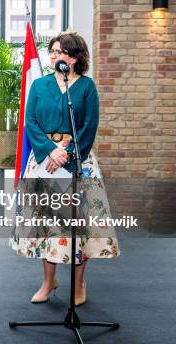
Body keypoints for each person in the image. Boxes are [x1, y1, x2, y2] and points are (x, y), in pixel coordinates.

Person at [10, 31, 120, 306]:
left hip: (78, 162)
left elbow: (89, 126)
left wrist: (68, 154)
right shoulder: (40, 85)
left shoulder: (86, 87)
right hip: (44, 160)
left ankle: (79, 283)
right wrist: (50, 151)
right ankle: (48, 282)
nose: (57, 56)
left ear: (76, 57)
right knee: (48, 225)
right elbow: (31, 121)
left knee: (77, 225)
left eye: (63, 52)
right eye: (53, 51)